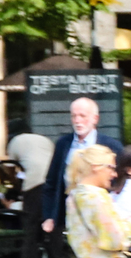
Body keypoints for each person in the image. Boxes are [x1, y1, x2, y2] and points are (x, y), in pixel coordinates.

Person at [38, 95, 112, 248]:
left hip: (99, 208)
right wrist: (49, 216)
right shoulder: (63, 144)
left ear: (95, 118)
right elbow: (52, 182)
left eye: (82, 116)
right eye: (74, 116)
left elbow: (116, 181)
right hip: (70, 207)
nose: (77, 121)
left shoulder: (109, 145)